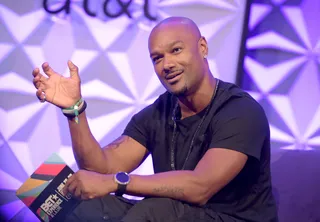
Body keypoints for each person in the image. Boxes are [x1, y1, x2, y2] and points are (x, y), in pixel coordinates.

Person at [32, 16, 278, 221]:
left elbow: (200, 187)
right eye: (157, 58)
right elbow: (99, 169)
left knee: (156, 209)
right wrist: (75, 110)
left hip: (229, 218)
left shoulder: (240, 111)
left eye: (176, 50)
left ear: (202, 47)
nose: (167, 64)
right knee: (54, 192)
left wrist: (116, 183)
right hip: (169, 215)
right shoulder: (160, 111)